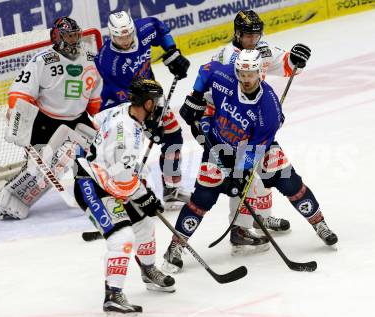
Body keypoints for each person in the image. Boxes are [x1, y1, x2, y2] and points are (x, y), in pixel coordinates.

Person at [162, 49, 338, 273]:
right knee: (203, 198)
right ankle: (175, 247)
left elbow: (256, 148)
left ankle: (319, 223)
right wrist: (196, 97)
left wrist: (240, 174)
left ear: (259, 72)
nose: (246, 79)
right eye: (242, 74)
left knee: (289, 182)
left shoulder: (268, 108)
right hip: (218, 144)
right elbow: (205, 70)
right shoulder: (224, 76)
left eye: (251, 74)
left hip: (255, 148)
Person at [209, 9, 313, 252]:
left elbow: (286, 65)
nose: (252, 41)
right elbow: (215, 93)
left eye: (256, 35)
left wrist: (295, 59)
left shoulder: (260, 49)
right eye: (247, 36)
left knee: (266, 172)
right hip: (230, 125)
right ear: (237, 33)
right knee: (243, 178)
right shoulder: (226, 57)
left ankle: (262, 218)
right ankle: (240, 230)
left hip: (254, 123)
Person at [74, 77, 175, 314]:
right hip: (92, 185)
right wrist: (144, 196)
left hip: (108, 178)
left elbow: (92, 123)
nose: (159, 107)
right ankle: (113, 296)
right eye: (156, 102)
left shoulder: (123, 111)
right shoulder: (126, 136)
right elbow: (122, 177)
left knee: (145, 224)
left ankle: (148, 271)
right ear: (147, 103)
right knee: (122, 237)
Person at [0, 16, 101, 220]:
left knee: (93, 156)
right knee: (39, 169)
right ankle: (8, 197)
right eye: (69, 37)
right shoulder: (42, 60)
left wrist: (100, 116)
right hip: (45, 121)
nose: (74, 40)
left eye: (76, 35)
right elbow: (21, 92)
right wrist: (16, 113)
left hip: (77, 119)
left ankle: (91, 193)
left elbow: (96, 100)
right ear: (58, 37)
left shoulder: (91, 60)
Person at [94, 11, 191, 211]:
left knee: (173, 136)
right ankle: (132, 195)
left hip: (149, 97)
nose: (126, 40)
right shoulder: (108, 61)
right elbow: (126, 97)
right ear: (111, 35)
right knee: (130, 149)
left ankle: (171, 188)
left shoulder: (144, 28)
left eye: (129, 34)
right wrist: (147, 123)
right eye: (120, 37)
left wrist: (172, 52)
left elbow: (161, 29)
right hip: (120, 106)